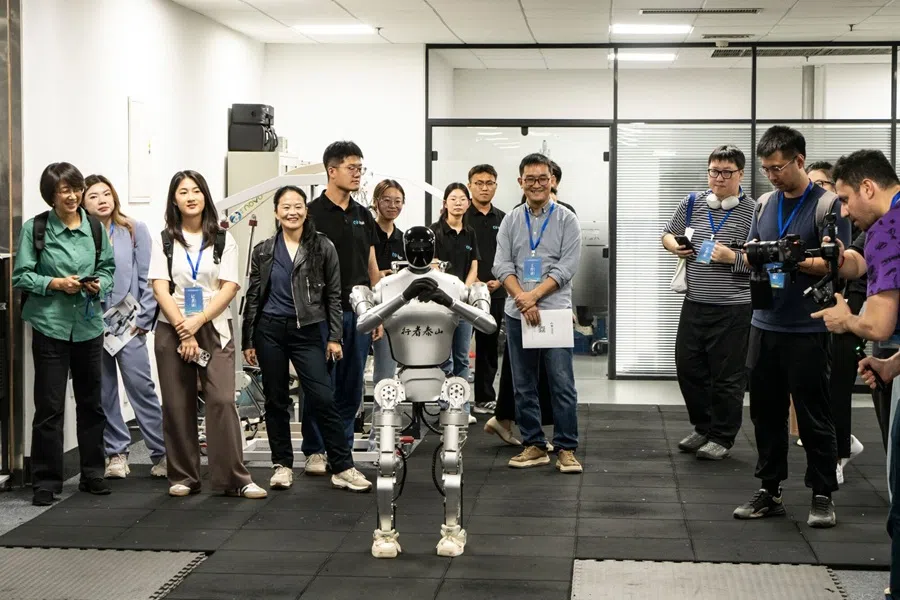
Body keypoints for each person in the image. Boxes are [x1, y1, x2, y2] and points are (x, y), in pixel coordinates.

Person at [732, 126, 849, 528]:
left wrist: (794, 258)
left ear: (799, 160)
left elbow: (838, 266)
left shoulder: (829, 206)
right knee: (765, 414)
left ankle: (821, 494)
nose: (772, 175)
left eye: (778, 167)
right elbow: (749, 253)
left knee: (814, 414)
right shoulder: (764, 204)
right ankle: (770, 490)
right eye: (766, 169)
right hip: (764, 322)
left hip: (808, 327)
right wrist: (755, 256)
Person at [810, 150, 900, 599]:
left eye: (845, 198)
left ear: (868, 188)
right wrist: (891, 363)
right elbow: (858, 265)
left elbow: (879, 325)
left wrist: (846, 319)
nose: (843, 210)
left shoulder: (888, 229)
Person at [242, 186, 372, 492]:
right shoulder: (263, 250)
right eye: (285, 207)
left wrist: (335, 337)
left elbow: (334, 297)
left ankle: (342, 466)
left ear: (306, 210)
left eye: (298, 206)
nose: (292, 212)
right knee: (276, 401)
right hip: (270, 330)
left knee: (323, 397)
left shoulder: (323, 247)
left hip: (310, 330)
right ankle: (282, 465)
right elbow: (253, 297)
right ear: (276, 212)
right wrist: (249, 339)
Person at [149, 170, 266, 499]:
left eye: (196, 190)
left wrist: (198, 321)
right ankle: (184, 476)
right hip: (172, 327)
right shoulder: (165, 240)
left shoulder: (224, 239)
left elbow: (229, 287)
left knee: (222, 401)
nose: (190, 196)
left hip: (213, 326)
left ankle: (234, 478)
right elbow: (160, 287)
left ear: (205, 197)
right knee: (177, 403)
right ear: (174, 199)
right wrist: (184, 331)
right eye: (183, 191)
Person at [13, 162, 116, 506]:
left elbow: (108, 270)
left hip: (88, 327)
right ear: (51, 196)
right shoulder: (36, 228)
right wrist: (54, 283)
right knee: (49, 406)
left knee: (91, 403)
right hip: (50, 327)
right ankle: (45, 480)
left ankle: (93, 473)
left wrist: (99, 284)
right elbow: (22, 276)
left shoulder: (96, 229)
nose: (72, 196)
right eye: (64, 191)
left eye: (76, 188)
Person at [661, 145, 755, 460]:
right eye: (713, 171)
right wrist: (675, 247)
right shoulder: (691, 203)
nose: (718, 178)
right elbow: (667, 234)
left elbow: (764, 261)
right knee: (689, 368)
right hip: (694, 303)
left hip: (734, 308)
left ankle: (722, 437)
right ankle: (703, 427)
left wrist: (732, 257)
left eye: (726, 172)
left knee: (727, 377)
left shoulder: (754, 211)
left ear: (740, 174)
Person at [494, 153, 583, 473]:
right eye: (529, 179)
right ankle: (533, 444)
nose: (536, 184)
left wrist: (533, 296)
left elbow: (568, 266)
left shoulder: (566, 219)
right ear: (520, 183)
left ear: (553, 181)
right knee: (523, 382)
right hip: (518, 314)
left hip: (554, 312)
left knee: (562, 383)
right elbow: (501, 264)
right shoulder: (511, 220)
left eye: (542, 179)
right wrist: (522, 298)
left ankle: (566, 447)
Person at [82, 174, 167, 480]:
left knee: (141, 388)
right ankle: (116, 453)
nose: (102, 200)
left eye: (106, 193)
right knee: (103, 392)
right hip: (92, 325)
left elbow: (148, 276)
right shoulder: (81, 235)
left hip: (128, 325)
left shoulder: (133, 229)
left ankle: (161, 453)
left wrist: (144, 321)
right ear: (83, 202)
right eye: (93, 196)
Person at [306, 141, 382, 472]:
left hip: (359, 311)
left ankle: (344, 448)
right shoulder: (310, 214)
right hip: (321, 313)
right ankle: (316, 449)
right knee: (321, 383)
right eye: (351, 168)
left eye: (360, 169)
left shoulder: (363, 215)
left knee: (352, 384)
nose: (357, 174)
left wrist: (378, 311)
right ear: (331, 170)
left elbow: (372, 267)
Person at [806, 161, 865, 483]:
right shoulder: (816, 224)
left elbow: (856, 268)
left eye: (823, 185)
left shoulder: (858, 222)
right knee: (822, 385)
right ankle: (840, 444)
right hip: (823, 308)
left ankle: (840, 451)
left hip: (854, 306)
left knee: (839, 382)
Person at [431, 183, 480, 420]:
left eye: (462, 199)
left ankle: (462, 408)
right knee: (443, 357)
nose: (458, 202)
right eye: (453, 198)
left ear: (468, 203)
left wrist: (465, 289)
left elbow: (474, 265)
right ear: (445, 203)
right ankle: (445, 404)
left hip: (463, 303)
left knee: (461, 356)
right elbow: (433, 268)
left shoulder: (470, 233)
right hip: (440, 303)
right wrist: (449, 291)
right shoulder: (434, 232)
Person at [367, 180, 406, 452]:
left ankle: (379, 438)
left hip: (390, 316)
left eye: (397, 200)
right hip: (363, 309)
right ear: (376, 202)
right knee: (350, 378)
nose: (392, 205)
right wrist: (380, 276)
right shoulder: (366, 233)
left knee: (385, 378)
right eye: (387, 200)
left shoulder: (403, 239)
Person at [465, 165, 506, 417]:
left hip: (497, 291)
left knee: (489, 346)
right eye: (478, 183)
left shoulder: (504, 218)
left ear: (495, 186)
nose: (484, 187)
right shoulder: (460, 214)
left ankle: (484, 398)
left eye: (489, 183)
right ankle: (454, 399)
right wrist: (476, 281)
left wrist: (500, 280)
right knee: (457, 348)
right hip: (466, 292)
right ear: (469, 185)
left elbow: (511, 253)